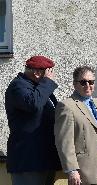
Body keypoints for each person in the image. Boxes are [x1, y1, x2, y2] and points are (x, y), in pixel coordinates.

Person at [5, 56, 62, 185]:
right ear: (36, 73)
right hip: (28, 161)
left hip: (44, 159)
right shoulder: (18, 86)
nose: (51, 75)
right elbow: (33, 105)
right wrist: (47, 82)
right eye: (48, 71)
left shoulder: (38, 88)